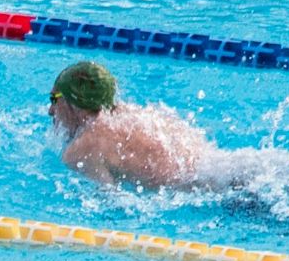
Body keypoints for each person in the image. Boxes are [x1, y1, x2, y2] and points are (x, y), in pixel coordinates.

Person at [47, 60, 216, 188]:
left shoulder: (82, 148)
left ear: (74, 102)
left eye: (54, 99)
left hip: (215, 196)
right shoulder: (140, 114)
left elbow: (111, 206)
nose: (51, 111)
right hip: (225, 170)